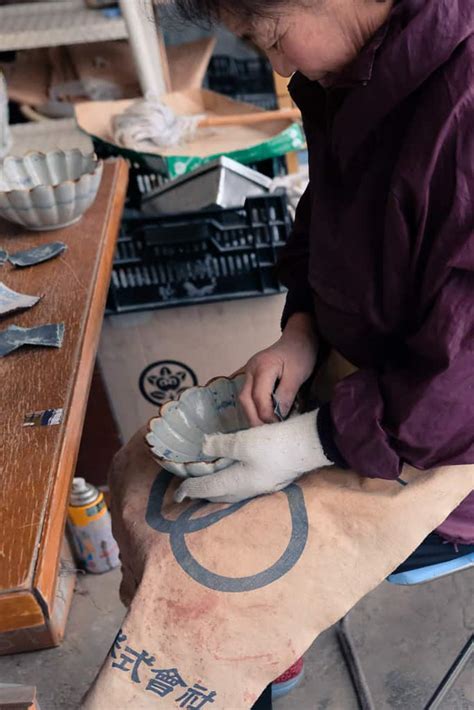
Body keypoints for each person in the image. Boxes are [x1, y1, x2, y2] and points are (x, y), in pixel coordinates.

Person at [169, 0, 474, 705]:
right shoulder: (347, 71)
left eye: (270, 38)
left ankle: (259, 662)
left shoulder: (461, 104)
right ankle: (267, 659)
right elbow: (329, 208)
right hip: (379, 383)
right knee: (180, 486)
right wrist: (302, 329)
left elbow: (462, 382)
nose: (277, 66)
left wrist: (319, 438)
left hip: (447, 437)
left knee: (227, 548)